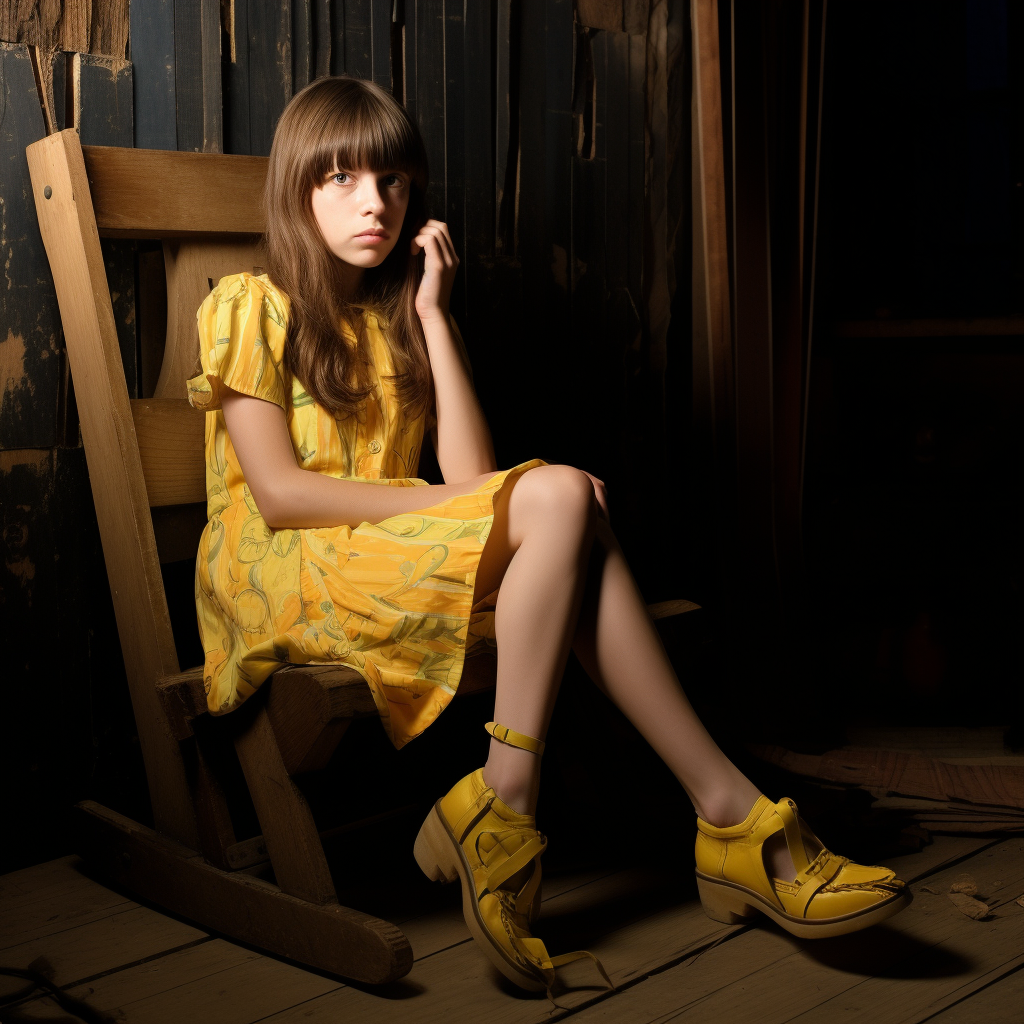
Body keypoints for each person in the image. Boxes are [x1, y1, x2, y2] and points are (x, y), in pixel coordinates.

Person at [187, 75, 910, 999]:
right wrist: (519, 496)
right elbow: (283, 498)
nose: (374, 202)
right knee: (564, 502)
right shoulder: (249, 302)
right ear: (297, 190)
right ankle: (725, 825)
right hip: (279, 570)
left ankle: (559, 803)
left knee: (565, 508)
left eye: (395, 182)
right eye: (339, 180)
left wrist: (435, 319)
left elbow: (465, 481)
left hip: (378, 556)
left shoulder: (394, 321)